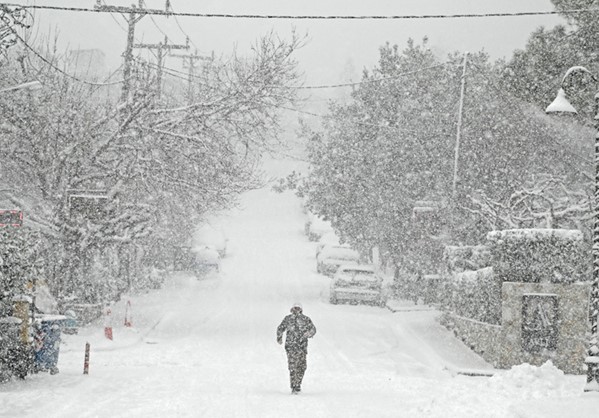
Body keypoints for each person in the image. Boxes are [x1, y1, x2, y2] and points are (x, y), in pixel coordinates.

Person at [276, 303, 317, 394]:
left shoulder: (306, 319)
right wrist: (279, 337)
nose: (296, 310)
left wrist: (308, 334)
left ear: (301, 309)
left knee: (302, 367)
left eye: (298, 308)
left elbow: (313, 329)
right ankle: (294, 386)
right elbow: (280, 328)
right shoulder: (288, 319)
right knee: (292, 367)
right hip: (291, 347)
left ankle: (298, 383)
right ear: (292, 309)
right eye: (295, 308)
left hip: (302, 347)